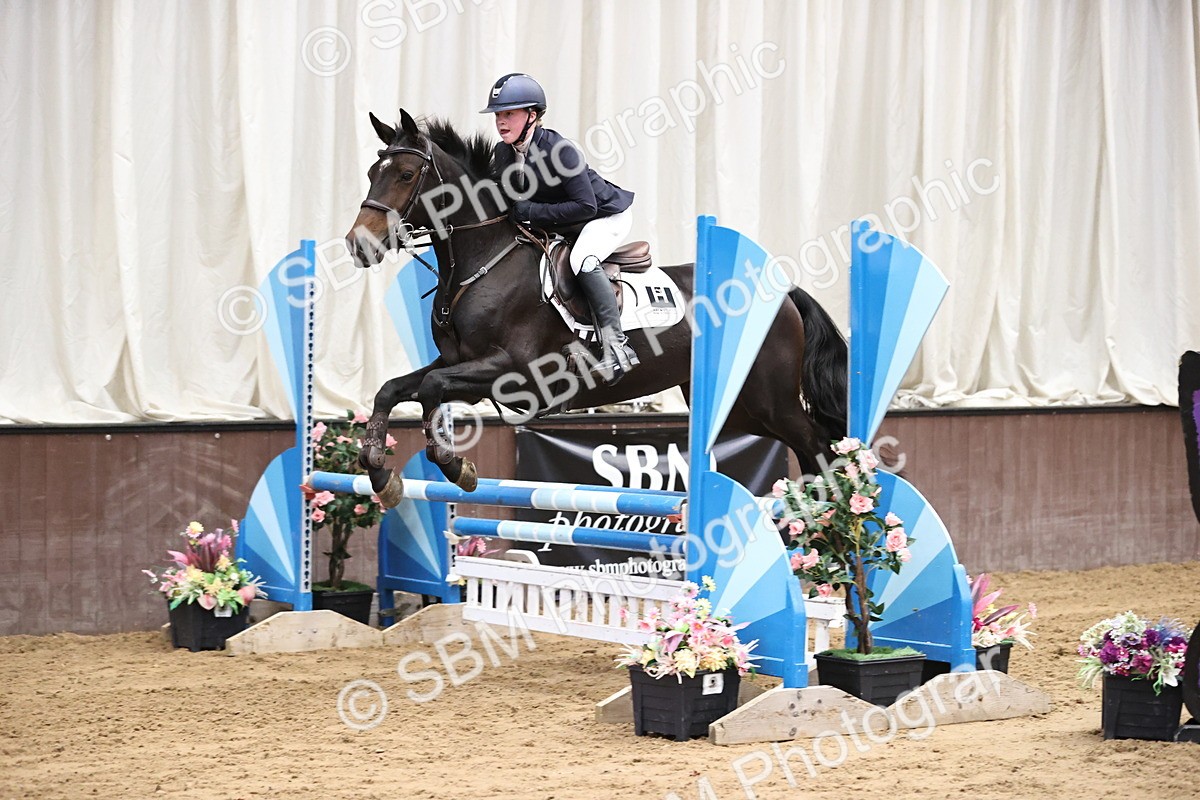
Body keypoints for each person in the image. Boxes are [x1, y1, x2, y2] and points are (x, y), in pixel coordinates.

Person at [481, 73, 639, 384]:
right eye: (498, 115)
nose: (501, 122)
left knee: (582, 260)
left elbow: (586, 206)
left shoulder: (559, 150)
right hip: (565, 221)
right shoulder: (503, 153)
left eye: (509, 114)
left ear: (533, 115)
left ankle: (617, 349)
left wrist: (532, 212)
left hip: (605, 216)